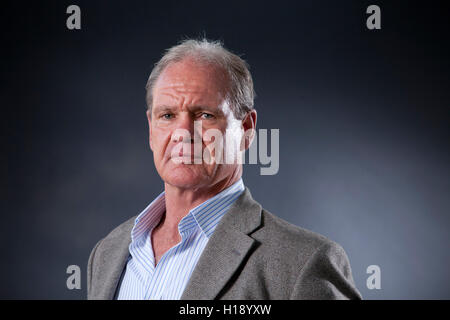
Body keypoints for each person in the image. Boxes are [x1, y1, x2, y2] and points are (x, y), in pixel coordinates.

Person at [87, 39, 362, 300]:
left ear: (246, 128)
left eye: (205, 115)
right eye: (167, 116)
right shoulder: (108, 253)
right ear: (150, 129)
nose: (183, 133)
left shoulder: (303, 262)